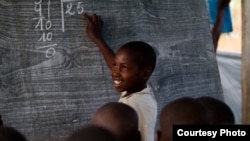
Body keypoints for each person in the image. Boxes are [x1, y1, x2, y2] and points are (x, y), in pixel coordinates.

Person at [83, 13, 157, 141]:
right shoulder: (138, 88)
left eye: (123, 67)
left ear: (145, 73)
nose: (115, 72)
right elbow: (118, 65)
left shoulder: (135, 104)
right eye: (115, 65)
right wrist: (98, 38)